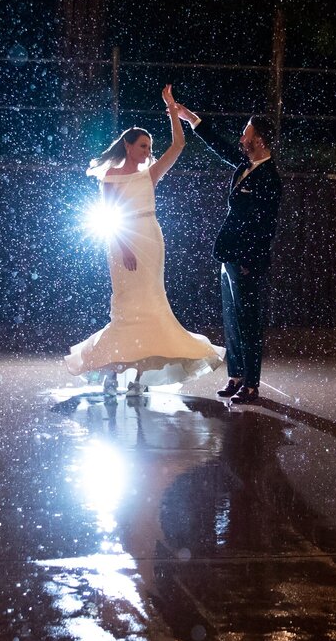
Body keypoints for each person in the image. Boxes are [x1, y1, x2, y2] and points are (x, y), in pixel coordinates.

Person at [65, 85, 224, 396]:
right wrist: (123, 247)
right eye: (142, 146)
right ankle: (112, 372)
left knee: (151, 305)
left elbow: (178, 145)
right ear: (127, 145)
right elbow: (108, 214)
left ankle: (137, 378)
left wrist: (172, 111)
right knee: (126, 308)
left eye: (149, 147)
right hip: (122, 240)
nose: (147, 151)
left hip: (150, 239)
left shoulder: (149, 175)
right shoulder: (110, 178)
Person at [172, 102, 282, 404]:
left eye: (246, 133)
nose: (241, 138)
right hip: (229, 256)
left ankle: (251, 383)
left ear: (259, 140)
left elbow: (265, 227)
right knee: (232, 319)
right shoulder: (244, 165)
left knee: (248, 321)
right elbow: (218, 145)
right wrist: (190, 117)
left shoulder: (269, 178)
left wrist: (251, 261)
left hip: (246, 260)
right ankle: (235, 376)